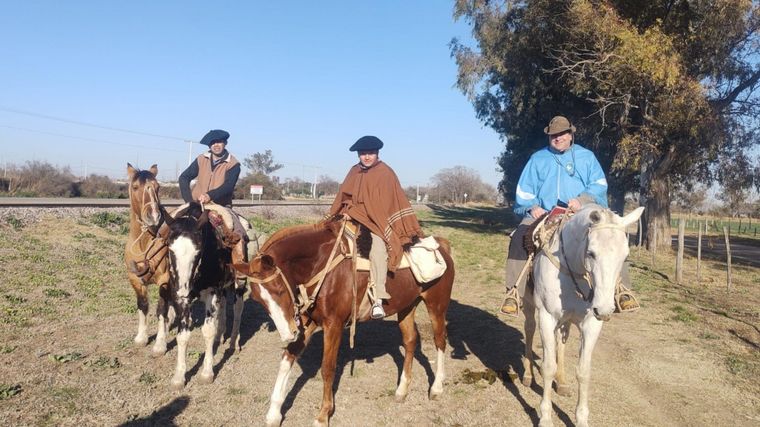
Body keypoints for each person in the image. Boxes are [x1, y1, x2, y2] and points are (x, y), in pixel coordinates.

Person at [500, 115, 638, 316]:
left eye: (562, 134)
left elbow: (599, 184)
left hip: (581, 213)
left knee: (611, 238)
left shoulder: (587, 157)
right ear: (549, 137)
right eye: (553, 135)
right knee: (520, 237)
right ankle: (513, 292)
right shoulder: (537, 159)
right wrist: (532, 207)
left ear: (570, 134)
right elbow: (524, 191)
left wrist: (582, 200)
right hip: (545, 214)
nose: (558, 138)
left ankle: (622, 289)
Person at [328, 136, 424, 319]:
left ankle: (378, 298)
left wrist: (357, 212)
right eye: (363, 153)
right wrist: (346, 210)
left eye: (370, 153)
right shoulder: (354, 171)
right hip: (353, 217)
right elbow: (345, 196)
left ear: (377, 153)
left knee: (378, 250)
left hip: (379, 223)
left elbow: (383, 205)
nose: (366, 157)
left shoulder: (385, 173)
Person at [178, 129, 248, 287]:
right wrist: (189, 202)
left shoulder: (233, 164)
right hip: (197, 204)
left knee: (238, 232)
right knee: (170, 226)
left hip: (221, 205)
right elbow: (184, 177)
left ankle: (240, 269)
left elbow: (228, 187)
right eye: (213, 143)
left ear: (225, 143)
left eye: (219, 142)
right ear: (210, 145)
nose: (216, 145)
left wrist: (210, 195)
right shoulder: (201, 159)